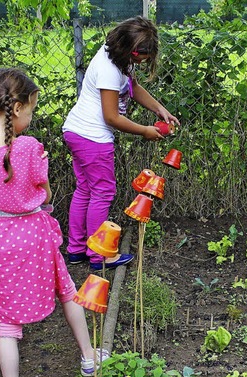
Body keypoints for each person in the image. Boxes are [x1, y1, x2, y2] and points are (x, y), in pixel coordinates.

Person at [0, 67, 105, 377]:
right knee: (66, 291)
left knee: (7, 324)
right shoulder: (28, 148)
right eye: (31, 108)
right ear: (19, 107)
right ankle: (88, 357)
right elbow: (45, 191)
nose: (31, 115)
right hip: (34, 232)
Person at [62, 15, 180, 270]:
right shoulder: (108, 69)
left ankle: (76, 249)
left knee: (85, 190)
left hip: (77, 131)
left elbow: (133, 87)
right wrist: (145, 131)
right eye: (139, 54)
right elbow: (112, 117)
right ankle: (99, 255)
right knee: (103, 192)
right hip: (92, 138)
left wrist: (159, 109)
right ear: (127, 47)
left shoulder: (117, 57)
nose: (142, 59)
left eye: (145, 55)